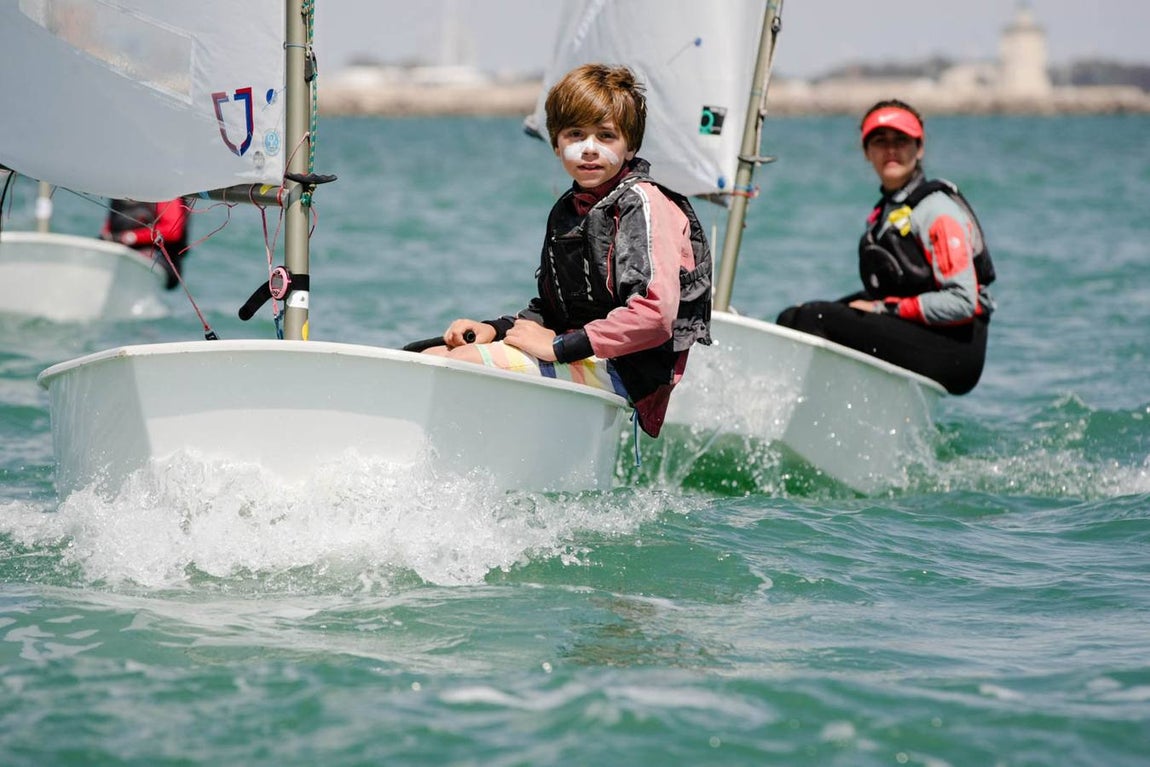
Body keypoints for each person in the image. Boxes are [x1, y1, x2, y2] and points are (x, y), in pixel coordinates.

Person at [422, 63, 712, 438]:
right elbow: (554, 309)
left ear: (631, 147)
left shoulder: (643, 204)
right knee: (426, 356)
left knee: (456, 364)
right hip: (578, 353)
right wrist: (493, 329)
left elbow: (655, 316)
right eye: (576, 134)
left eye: (606, 136)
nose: (589, 149)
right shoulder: (570, 207)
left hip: (625, 372)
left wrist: (560, 347)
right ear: (557, 143)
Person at [775, 99, 995, 395]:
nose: (891, 150)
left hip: (956, 351)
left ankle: (813, 407)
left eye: (901, 140)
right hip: (920, 333)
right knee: (791, 317)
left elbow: (962, 302)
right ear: (867, 152)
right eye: (880, 141)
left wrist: (883, 308)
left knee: (814, 318)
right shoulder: (889, 211)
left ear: (919, 148)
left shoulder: (938, 212)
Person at [100, 197, 191, 289]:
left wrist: (132, 237)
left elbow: (172, 231)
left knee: (143, 257)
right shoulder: (119, 193)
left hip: (159, 257)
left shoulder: (166, 194)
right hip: (122, 251)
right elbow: (107, 230)